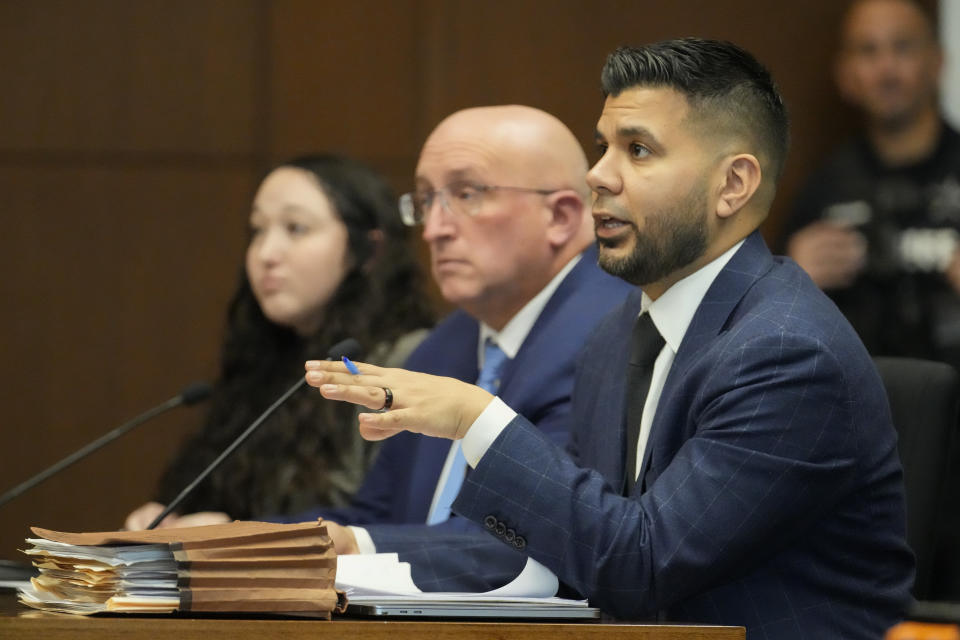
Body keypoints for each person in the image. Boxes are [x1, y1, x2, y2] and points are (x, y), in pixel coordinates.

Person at [306, 40, 914, 637]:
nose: (599, 175)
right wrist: (329, 553)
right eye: (603, 148)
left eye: (639, 150)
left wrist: (477, 418)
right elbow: (564, 545)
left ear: (733, 185)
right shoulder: (618, 335)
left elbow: (641, 566)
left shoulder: (786, 352)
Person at [287, 106, 632, 590]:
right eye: (426, 200)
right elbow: (376, 515)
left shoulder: (612, 337)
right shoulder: (444, 345)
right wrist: (240, 538)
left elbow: (535, 541)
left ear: (560, 216)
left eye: (467, 194)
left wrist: (359, 546)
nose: (433, 229)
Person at [124, 154, 433, 529]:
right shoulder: (262, 365)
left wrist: (237, 536)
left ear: (369, 250)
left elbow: (389, 526)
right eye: (257, 230)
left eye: (296, 228)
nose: (266, 254)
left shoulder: (404, 362)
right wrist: (168, 521)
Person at [783, 0, 960, 370]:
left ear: (938, 62)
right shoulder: (822, 190)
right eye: (868, 51)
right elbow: (767, 326)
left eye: (903, 47)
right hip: (861, 409)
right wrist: (791, 280)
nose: (886, 68)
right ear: (845, 75)